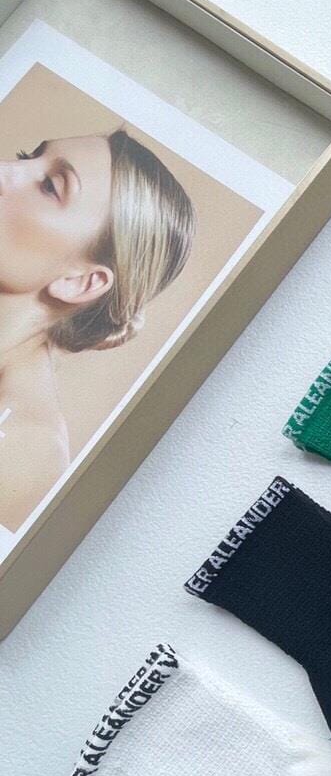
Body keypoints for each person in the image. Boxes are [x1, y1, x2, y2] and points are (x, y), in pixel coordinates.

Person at [0, 128, 195, 532]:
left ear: (80, 282)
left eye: (50, 186)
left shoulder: (23, 447)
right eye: (26, 157)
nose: (6, 170)